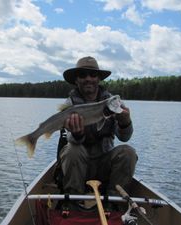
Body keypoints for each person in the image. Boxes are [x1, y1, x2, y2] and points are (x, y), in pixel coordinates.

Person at [57, 56, 137, 197]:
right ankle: (74, 201)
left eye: (93, 74)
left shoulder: (112, 103)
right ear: (76, 80)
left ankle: (115, 201)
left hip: (104, 164)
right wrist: (77, 134)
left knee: (128, 152)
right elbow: (72, 141)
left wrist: (125, 122)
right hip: (78, 167)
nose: (88, 78)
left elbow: (124, 137)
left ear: (98, 79)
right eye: (82, 75)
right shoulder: (70, 105)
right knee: (71, 151)